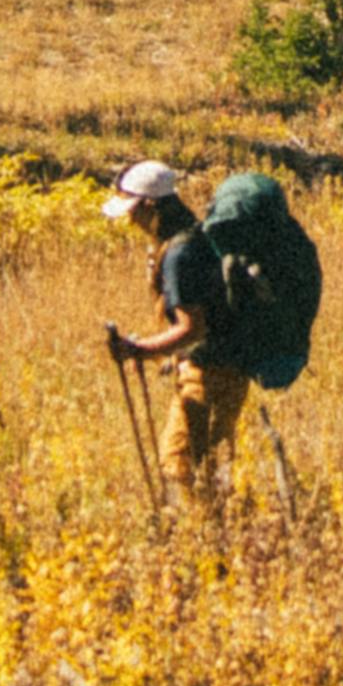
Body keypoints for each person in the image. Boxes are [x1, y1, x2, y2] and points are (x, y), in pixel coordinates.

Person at [102, 164, 249, 504]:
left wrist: (137, 349)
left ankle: (213, 542)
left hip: (211, 374)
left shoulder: (180, 255)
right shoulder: (191, 238)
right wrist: (167, 353)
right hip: (222, 369)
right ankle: (224, 533)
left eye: (133, 210)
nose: (130, 220)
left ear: (151, 206)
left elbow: (192, 326)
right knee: (209, 468)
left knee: (183, 466)